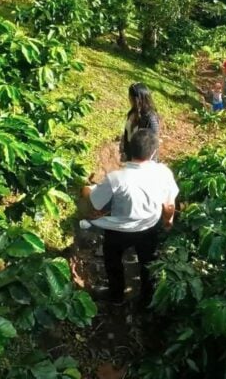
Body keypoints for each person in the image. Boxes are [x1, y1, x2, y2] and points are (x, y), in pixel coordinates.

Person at [81, 129, 178, 306]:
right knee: (147, 263)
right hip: (149, 227)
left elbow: (96, 203)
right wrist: (168, 220)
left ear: (128, 150)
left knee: (113, 261)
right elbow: (169, 205)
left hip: (118, 230)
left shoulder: (116, 178)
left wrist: (87, 191)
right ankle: (146, 299)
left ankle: (116, 295)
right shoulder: (163, 173)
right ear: (154, 152)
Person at [120, 82, 160, 162]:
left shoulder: (150, 119)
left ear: (137, 99)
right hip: (131, 157)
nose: (129, 98)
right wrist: (124, 152)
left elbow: (152, 143)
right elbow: (128, 134)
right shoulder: (132, 113)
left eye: (130, 96)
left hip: (143, 162)